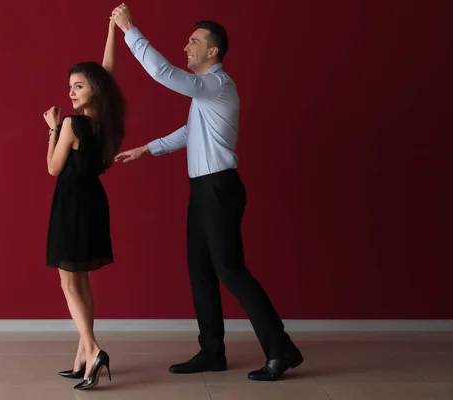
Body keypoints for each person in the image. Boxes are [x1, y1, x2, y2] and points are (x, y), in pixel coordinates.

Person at [110, 4, 303, 381]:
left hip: (219, 188)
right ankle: (212, 352)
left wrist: (130, 29)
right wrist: (147, 149)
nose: (186, 46)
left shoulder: (218, 84)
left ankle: (281, 351)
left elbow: (163, 73)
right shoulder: (204, 97)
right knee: (200, 270)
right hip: (203, 189)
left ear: (212, 51)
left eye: (194, 41)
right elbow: (190, 133)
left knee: (230, 270)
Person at [42, 18, 124, 390]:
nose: (71, 92)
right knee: (83, 280)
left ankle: (92, 351)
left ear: (93, 89)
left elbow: (52, 168)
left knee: (69, 282)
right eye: (69, 86)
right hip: (94, 203)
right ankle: (81, 357)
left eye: (78, 86)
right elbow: (107, 72)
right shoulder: (107, 125)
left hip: (71, 204)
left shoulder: (74, 125)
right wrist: (111, 29)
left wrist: (52, 129)